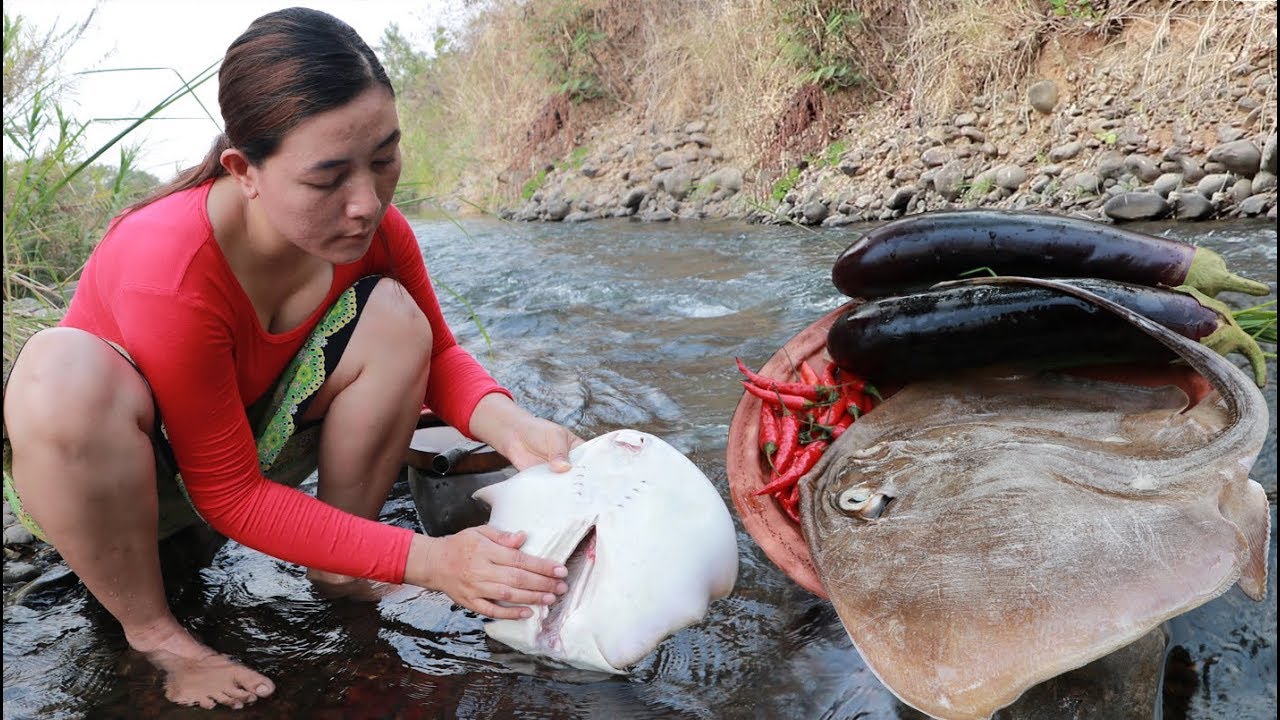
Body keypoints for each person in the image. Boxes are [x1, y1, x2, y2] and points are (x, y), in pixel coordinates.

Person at [1, 7, 583, 711]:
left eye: (385, 158)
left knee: (395, 316)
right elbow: (228, 494)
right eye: (327, 179)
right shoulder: (168, 261)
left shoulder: (375, 231)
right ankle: (155, 635)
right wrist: (428, 562)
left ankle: (339, 569)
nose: (366, 203)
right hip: (133, 490)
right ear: (244, 171)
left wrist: (513, 427)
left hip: (248, 453)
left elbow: (440, 355)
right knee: (56, 373)